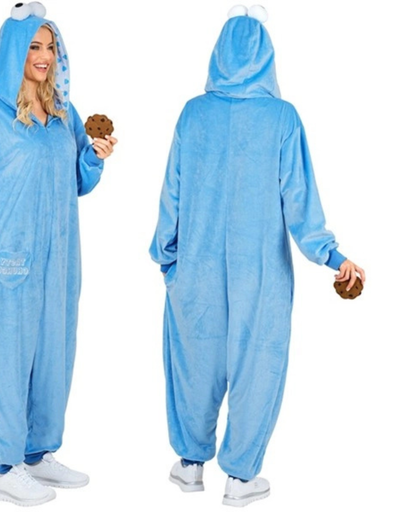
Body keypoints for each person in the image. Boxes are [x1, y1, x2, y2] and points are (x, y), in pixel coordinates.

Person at [149, 5, 364, 508]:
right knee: (257, 364)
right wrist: (331, 255)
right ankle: (240, 477)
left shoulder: (193, 114)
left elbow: (172, 192)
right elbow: (299, 201)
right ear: (267, 55)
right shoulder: (282, 118)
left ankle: (190, 464)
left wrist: (167, 255)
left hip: (195, 267)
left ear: (218, 53)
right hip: (259, 271)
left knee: (193, 360)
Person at [0, 2, 117, 506]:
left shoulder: (65, 113)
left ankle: (37, 453)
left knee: (53, 358)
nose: (44, 56)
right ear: (14, 51)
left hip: (60, 262)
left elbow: (77, 182)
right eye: (33, 47)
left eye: (50, 47)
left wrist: (95, 156)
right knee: (7, 363)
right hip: (6, 265)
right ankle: (5, 468)